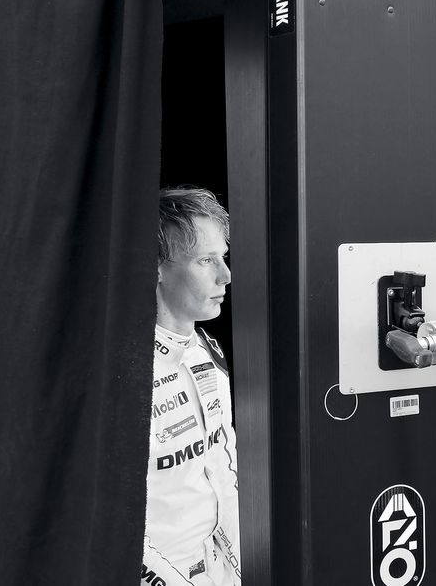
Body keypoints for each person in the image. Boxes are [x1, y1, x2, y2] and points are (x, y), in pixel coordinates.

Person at [142, 186, 242, 586]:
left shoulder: (206, 349)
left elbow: (223, 463)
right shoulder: (127, 374)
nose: (226, 275)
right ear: (157, 268)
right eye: (206, 260)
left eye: (223, 257)